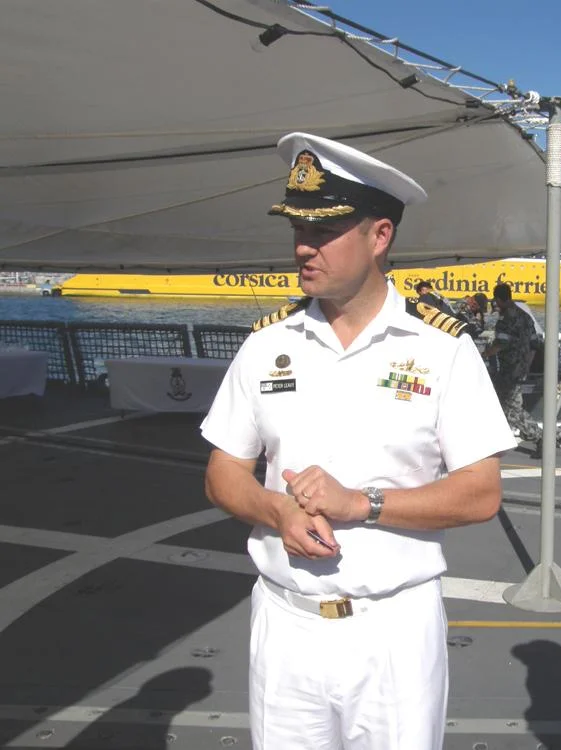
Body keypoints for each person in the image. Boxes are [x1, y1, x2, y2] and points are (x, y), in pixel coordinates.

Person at [200, 132, 517, 750]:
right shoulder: (267, 344)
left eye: (324, 230)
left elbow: (481, 493)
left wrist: (362, 504)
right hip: (285, 622)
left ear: (380, 236)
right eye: (297, 229)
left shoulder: (442, 349)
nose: (302, 246)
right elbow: (222, 473)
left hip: (392, 630)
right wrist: (276, 509)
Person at [481, 282, 542, 447]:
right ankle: (501, 438)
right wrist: (526, 364)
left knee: (510, 406)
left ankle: (539, 436)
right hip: (521, 367)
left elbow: (501, 343)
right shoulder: (525, 316)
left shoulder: (506, 318)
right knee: (504, 403)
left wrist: (484, 354)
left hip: (508, 368)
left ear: (499, 299)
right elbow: (534, 343)